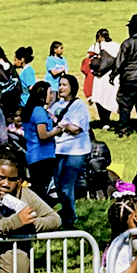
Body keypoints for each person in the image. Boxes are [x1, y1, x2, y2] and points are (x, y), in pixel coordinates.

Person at [48, 72, 93, 227]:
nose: (60, 88)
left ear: (72, 87)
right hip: (59, 149)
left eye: (64, 85)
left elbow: (76, 129)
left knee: (67, 185)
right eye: (59, 85)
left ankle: (70, 218)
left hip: (75, 150)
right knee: (58, 184)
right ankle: (66, 212)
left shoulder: (79, 106)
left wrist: (60, 124)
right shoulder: (56, 106)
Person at [20, 80, 57, 204]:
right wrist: (57, 130)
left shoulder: (29, 110)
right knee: (43, 192)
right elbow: (43, 135)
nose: (52, 96)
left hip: (33, 155)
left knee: (38, 190)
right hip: (43, 156)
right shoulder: (39, 111)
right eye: (50, 93)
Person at [89, 28, 121, 128]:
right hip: (113, 76)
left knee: (100, 99)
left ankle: (105, 121)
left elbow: (89, 60)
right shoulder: (116, 45)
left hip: (99, 77)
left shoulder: (95, 46)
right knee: (110, 98)